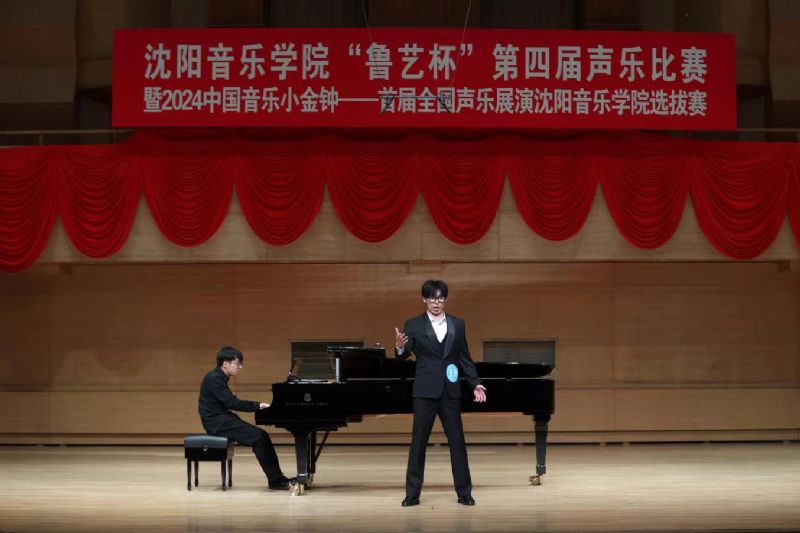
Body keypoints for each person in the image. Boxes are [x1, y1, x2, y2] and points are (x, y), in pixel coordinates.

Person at [394, 280, 487, 507]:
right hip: (425, 391)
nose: (436, 303)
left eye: (440, 298)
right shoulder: (413, 324)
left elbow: (464, 358)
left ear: (445, 299)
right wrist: (399, 346)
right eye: (432, 298)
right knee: (418, 443)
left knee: (457, 443)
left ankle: (464, 493)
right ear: (424, 299)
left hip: (450, 391)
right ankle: (412, 495)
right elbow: (403, 356)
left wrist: (475, 383)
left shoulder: (458, 324)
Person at [198, 346, 294, 490]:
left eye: (241, 363)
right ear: (225, 363)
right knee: (260, 437)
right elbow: (231, 403)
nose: (240, 367)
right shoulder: (214, 378)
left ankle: (277, 479)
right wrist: (258, 405)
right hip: (217, 423)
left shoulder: (217, 376)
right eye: (237, 363)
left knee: (261, 436)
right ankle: (276, 481)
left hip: (221, 419)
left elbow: (228, 403)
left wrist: (257, 406)